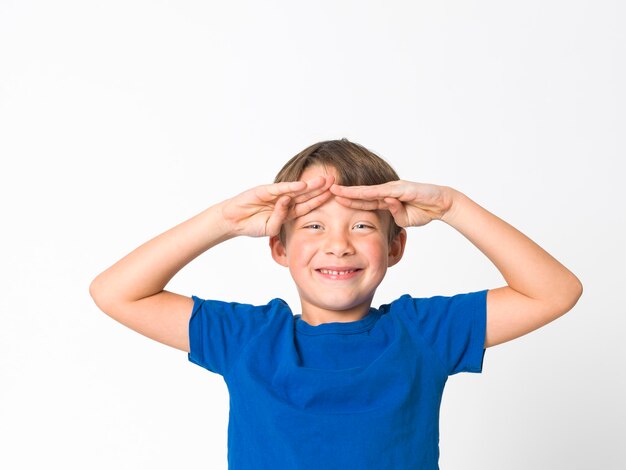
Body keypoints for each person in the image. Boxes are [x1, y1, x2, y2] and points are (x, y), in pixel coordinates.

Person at [89, 139, 582, 469]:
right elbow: (116, 291)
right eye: (314, 226)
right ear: (279, 248)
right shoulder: (247, 339)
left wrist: (453, 207)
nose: (338, 244)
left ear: (395, 247)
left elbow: (555, 291)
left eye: (362, 225)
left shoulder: (423, 333)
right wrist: (224, 220)